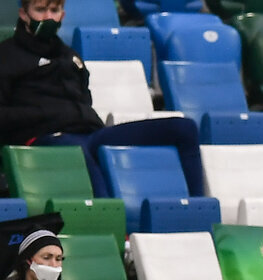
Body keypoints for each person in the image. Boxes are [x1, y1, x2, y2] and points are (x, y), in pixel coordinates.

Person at [0, 0, 205, 197]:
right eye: (40, 9)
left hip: (90, 134)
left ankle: (198, 212)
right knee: (80, 152)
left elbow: (84, 100)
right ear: (23, 14)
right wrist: (44, 114)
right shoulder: (6, 55)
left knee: (183, 128)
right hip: (45, 137)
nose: (48, 17)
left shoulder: (71, 57)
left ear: (62, 15)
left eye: (54, 10)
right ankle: (114, 225)